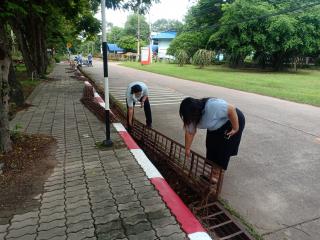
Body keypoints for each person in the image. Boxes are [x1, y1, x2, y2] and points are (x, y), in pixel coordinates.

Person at [179, 97, 245, 181]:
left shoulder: (212, 106)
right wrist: (187, 149)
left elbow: (231, 109)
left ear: (196, 111)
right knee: (211, 146)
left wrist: (235, 128)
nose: (189, 119)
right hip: (215, 125)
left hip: (232, 120)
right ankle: (214, 172)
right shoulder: (190, 116)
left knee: (222, 150)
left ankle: (216, 176)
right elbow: (190, 132)